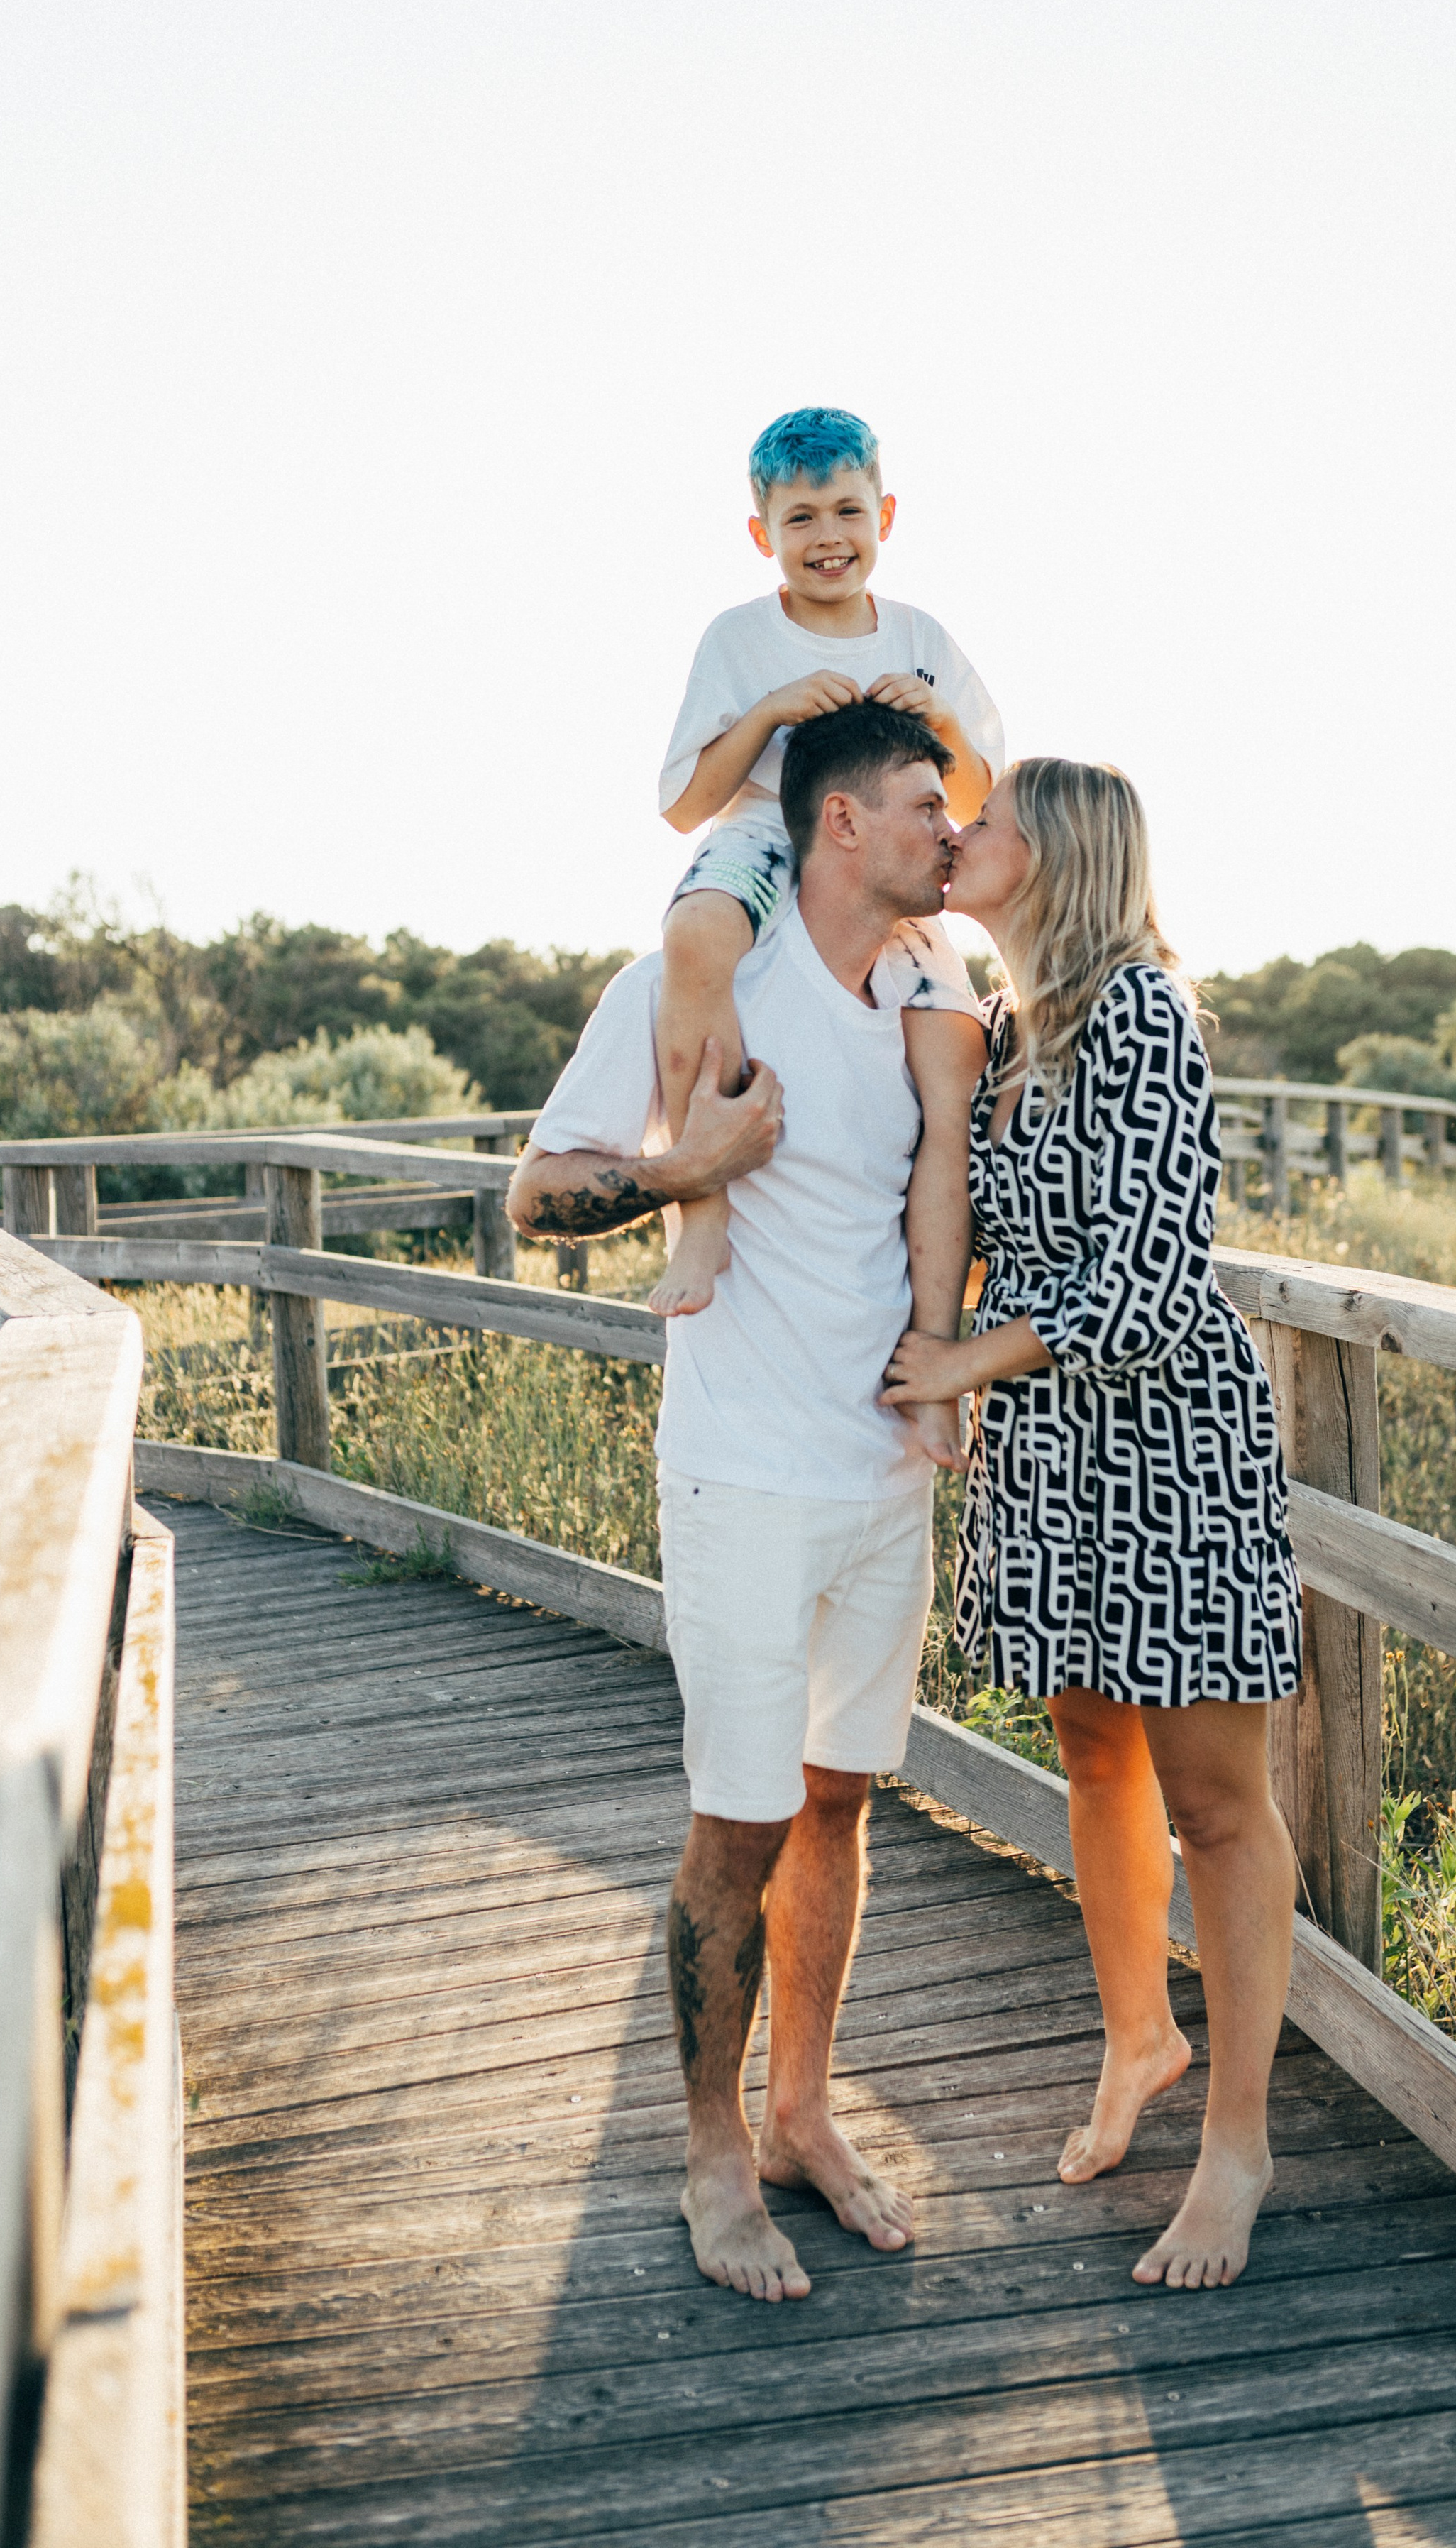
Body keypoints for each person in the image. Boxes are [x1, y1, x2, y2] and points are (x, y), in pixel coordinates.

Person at [507, 705, 967, 2304]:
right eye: (924, 809)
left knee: (839, 1808)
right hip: (744, 1481)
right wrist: (683, 1166)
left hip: (880, 1482)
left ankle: (797, 2119)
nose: (947, 835)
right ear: (837, 825)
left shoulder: (921, 990)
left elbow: (938, 1193)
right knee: (737, 1826)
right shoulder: (693, 990)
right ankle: (710, 2156)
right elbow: (536, 1195)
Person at [881, 759, 1305, 2291]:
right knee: (1086, 1740)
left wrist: (962, 1359)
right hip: (1058, 1447)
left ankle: (1238, 2145)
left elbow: (1150, 1274)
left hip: (1168, 1441)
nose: (952, 835)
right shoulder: (1006, 1031)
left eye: (977, 822)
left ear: (1051, 854)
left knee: (1213, 1800)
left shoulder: (1140, 1012)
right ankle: (1139, 2036)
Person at [649, 407, 998, 1484]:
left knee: (955, 1053)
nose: (826, 534)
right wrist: (768, 713)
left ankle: (937, 1355)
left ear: (884, 515)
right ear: (763, 532)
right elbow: (683, 804)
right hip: (769, 827)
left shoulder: (923, 637)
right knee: (699, 931)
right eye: (800, 516)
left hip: (892, 852)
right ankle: (701, 1212)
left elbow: (979, 789)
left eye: (847, 509)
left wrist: (930, 725)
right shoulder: (738, 637)